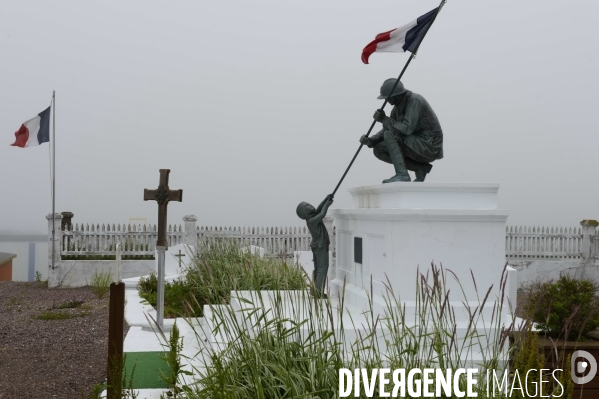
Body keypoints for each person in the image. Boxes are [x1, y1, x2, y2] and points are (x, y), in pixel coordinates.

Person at [360, 78, 443, 183]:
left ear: (397, 95)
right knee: (378, 149)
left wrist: (384, 119)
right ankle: (419, 168)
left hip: (429, 145)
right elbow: (388, 127)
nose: (386, 101)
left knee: (390, 135)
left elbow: (407, 129)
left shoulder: (414, 101)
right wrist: (371, 140)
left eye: (388, 98)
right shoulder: (397, 108)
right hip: (416, 142)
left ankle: (402, 175)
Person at [296, 194, 334, 298]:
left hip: (319, 245)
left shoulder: (312, 217)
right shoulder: (311, 221)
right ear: (304, 213)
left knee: (319, 268)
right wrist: (327, 204)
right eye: (307, 205)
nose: (310, 205)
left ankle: (316, 290)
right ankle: (318, 292)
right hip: (320, 246)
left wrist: (325, 199)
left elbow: (318, 209)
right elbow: (322, 214)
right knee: (322, 268)